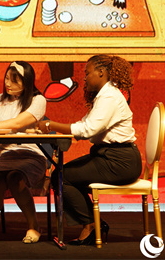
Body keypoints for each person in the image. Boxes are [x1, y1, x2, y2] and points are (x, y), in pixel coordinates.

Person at [37, 54, 142, 246]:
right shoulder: (104, 95)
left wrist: (52, 125)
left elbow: (88, 130)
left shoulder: (109, 97)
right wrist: (55, 127)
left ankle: (92, 225)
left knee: (61, 177)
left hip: (120, 161)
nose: (84, 78)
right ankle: (92, 224)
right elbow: (85, 125)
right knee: (62, 174)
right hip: (109, 157)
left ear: (101, 72)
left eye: (87, 73)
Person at [0, 61, 47, 244]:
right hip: (3, 153)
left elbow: (17, 123)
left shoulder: (37, 100)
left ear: (27, 81)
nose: (8, 84)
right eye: (6, 78)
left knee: (15, 177)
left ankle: (34, 226)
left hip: (30, 153)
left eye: (14, 80)